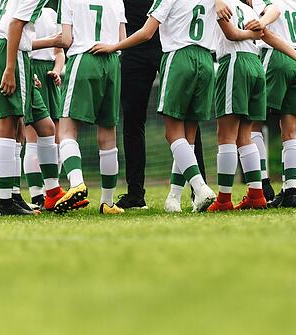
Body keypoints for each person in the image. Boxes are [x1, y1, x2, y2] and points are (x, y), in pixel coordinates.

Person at [91, 0, 218, 213]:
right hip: (134, 45)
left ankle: (198, 189)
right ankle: (136, 194)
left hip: (169, 44)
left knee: (185, 122)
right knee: (133, 120)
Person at [44, 0, 128, 215]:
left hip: (84, 58)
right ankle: (108, 202)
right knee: (108, 136)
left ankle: (76, 182)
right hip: (112, 63)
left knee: (66, 130)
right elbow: (122, 40)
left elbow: (65, 39)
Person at [0, 0, 56, 216]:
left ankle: (20, 194)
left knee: (35, 126)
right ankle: (4, 201)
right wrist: (10, 67)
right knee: (8, 125)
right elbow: (15, 25)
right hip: (7, 50)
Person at [248, 0, 296, 208]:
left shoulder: (266, 3)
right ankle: (291, 191)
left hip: (276, 57)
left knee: (252, 123)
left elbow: (264, 28)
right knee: (292, 129)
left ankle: (262, 183)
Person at [209, 0, 268, 211]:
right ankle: (256, 195)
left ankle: (224, 200)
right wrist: (255, 34)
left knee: (226, 136)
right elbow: (261, 32)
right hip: (255, 64)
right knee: (246, 136)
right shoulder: (249, 8)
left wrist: (252, 35)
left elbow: (231, 34)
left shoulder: (222, 4)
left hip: (234, 62)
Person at [23, 5, 66, 209]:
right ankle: (36, 195)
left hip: (48, 77)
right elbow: (19, 43)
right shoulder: (22, 8)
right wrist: (29, 73)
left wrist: (57, 71)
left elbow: (59, 52)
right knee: (32, 137)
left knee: (54, 137)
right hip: (30, 70)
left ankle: (53, 190)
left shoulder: (50, 14)